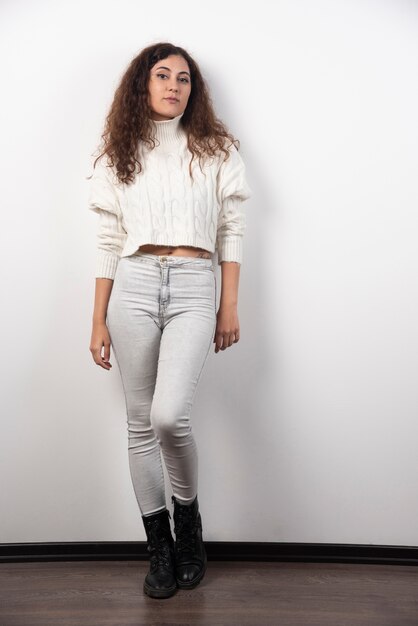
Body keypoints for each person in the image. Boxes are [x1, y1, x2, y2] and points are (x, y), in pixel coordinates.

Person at [87, 42, 252, 599]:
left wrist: (228, 303)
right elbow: (108, 239)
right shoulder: (120, 151)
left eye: (184, 78)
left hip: (191, 286)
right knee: (140, 423)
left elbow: (231, 226)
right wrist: (97, 319)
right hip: (131, 284)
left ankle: (190, 527)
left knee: (168, 417)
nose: (174, 86)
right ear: (143, 84)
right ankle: (160, 548)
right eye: (162, 75)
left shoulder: (214, 148)